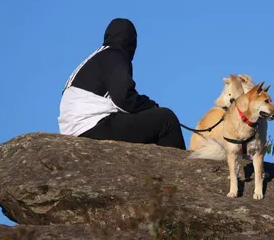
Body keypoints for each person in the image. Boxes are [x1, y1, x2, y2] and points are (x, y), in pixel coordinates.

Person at [58, 18, 186, 150]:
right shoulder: (115, 55)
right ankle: (182, 168)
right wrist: (150, 106)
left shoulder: (95, 58)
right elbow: (124, 100)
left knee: (144, 124)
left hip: (74, 128)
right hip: (92, 126)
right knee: (166, 119)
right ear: (131, 42)